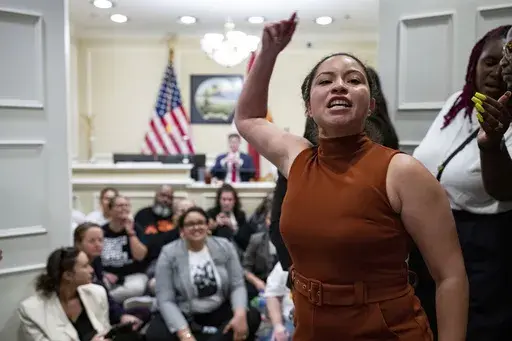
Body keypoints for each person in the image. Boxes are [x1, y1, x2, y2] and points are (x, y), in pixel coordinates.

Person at [234, 13, 468, 340]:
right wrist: (269, 53)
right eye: (326, 80)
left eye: (353, 79)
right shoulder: (297, 158)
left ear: (370, 105)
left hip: (386, 329)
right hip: (310, 327)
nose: (340, 85)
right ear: (309, 107)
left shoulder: (401, 171)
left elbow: (450, 276)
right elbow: (247, 118)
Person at [412, 25, 512, 341]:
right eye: (489, 61)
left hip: (483, 245)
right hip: (429, 236)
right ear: (474, 63)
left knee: (475, 329)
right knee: (430, 320)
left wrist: (492, 142)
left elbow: (503, 190)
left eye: (506, 63)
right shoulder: (458, 102)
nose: (496, 70)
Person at [145, 207, 261, 341]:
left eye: (200, 222)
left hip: (218, 309)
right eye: (190, 224)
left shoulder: (224, 246)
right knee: (155, 334)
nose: (196, 227)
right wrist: (185, 334)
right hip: (185, 312)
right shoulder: (168, 253)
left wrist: (239, 315)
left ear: (208, 226)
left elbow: (237, 285)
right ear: (182, 230)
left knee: (251, 316)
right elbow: (165, 299)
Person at [18, 247, 111, 341]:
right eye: (85, 266)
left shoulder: (97, 293)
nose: (91, 270)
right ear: (68, 275)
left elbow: (106, 332)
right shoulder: (31, 311)